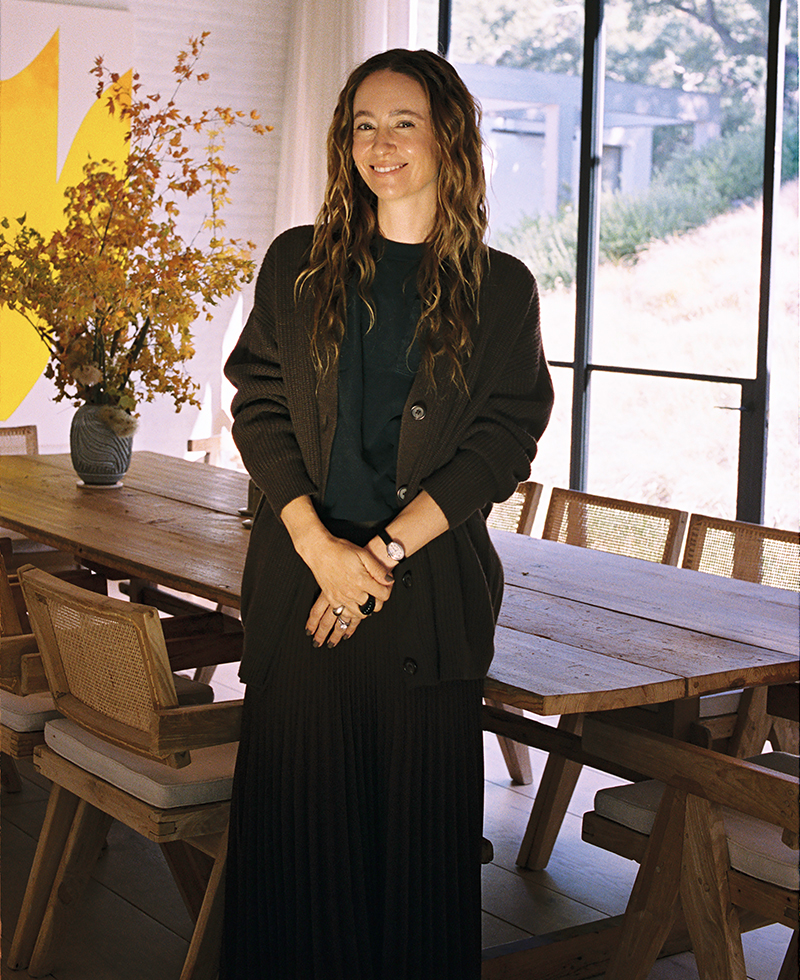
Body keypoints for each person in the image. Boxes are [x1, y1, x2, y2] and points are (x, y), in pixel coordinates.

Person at [220, 48, 553, 980]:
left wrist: (379, 557)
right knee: (297, 853)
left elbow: (502, 441)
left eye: (403, 121)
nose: (381, 143)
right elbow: (259, 406)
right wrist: (320, 549)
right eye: (363, 124)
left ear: (448, 136)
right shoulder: (297, 263)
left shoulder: (503, 289)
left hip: (427, 604)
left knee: (413, 861)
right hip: (302, 598)